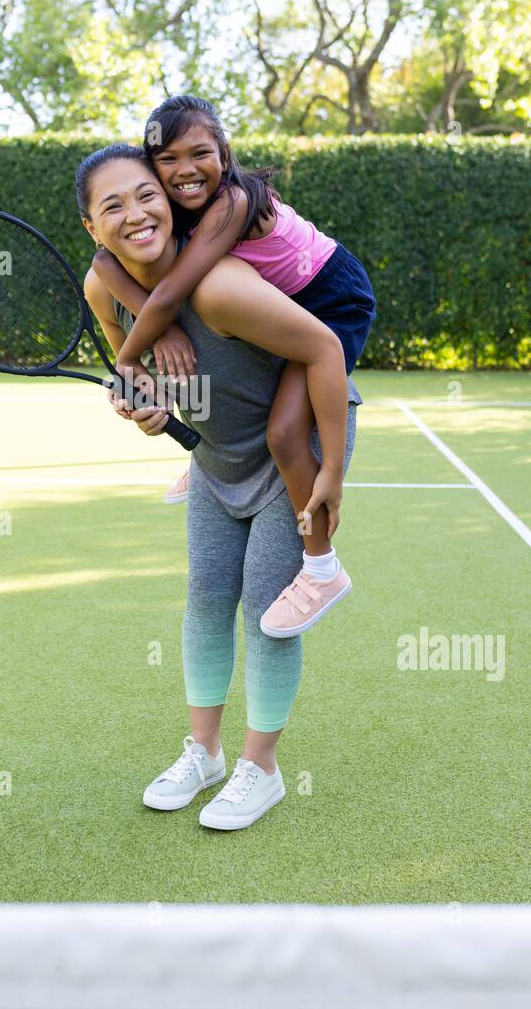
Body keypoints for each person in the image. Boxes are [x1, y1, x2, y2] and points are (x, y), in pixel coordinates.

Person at [77, 143, 362, 831]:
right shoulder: (103, 289)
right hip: (215, 458)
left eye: (146, 194)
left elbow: (326, 350)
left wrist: (328, 472)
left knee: (266, 611)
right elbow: (143, 385)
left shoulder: (221, 285)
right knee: (206, 600)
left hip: (292, 450)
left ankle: (259, 768)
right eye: (110, 205)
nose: (135, 213)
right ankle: (202, 752)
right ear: (91, 228)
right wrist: (145, 410)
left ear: (171, 199)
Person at [91, 94, 376, 639]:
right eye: (166, 161)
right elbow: (106, 260)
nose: (183, 170)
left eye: (198, 153)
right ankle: (212, 461)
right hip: (287, 303)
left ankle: (322, 567)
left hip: (332, 299)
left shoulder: (232, 202)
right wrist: (164, 329)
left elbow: (174, 286)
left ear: (223, 153)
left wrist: (129, 355)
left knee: (287, 432)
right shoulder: (175, 206)